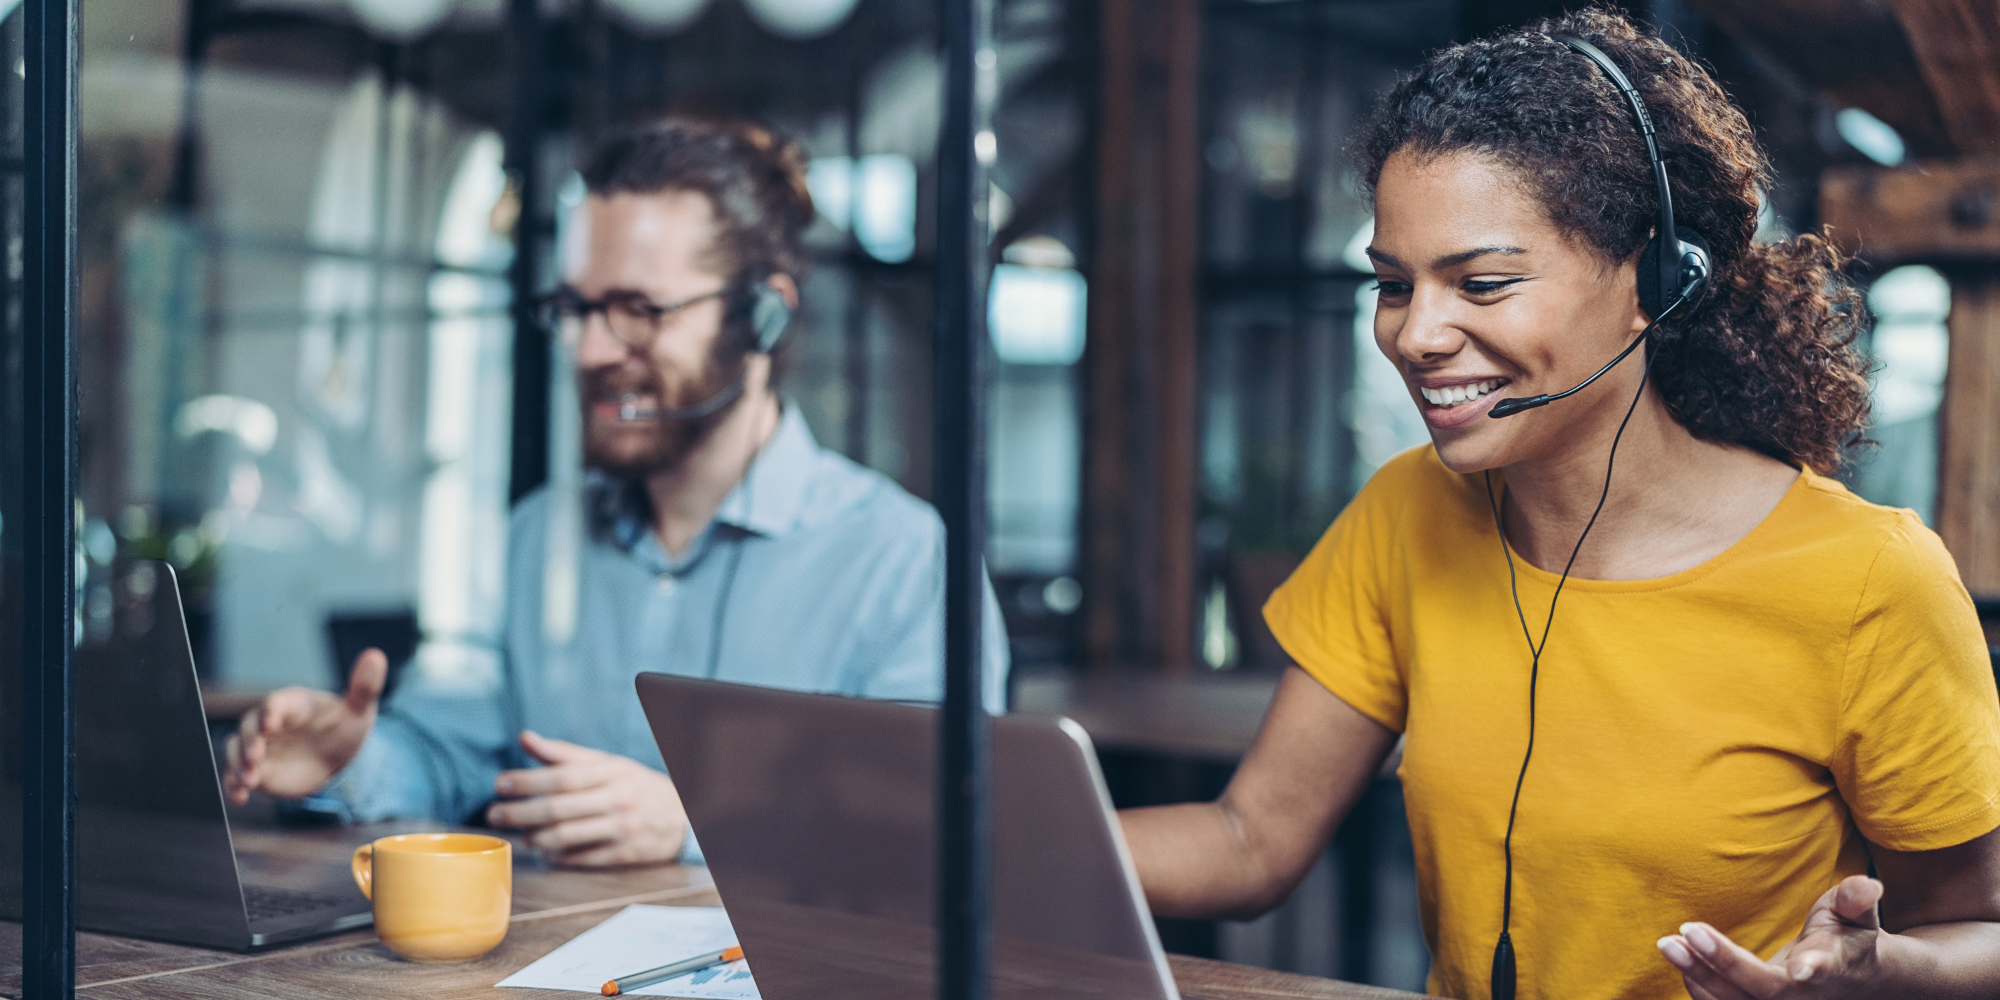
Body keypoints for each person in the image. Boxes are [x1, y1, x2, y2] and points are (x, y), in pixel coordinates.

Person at [1121, 12, 2000, 1000]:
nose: (1415, 335)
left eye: (1482, 283)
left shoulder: (1868, 578)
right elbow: (1248, 840)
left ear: (1653, 286)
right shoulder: (1406, 511)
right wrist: (952, 827)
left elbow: (1974, 928)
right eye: (1393, 284)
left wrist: (1875, 974)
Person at [223, 117, 1010, 868]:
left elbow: (937, 834)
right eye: (577, 309)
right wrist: (351, 761)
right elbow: (456, 755)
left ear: (765, 317)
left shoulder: (903, 560)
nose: (594, 349)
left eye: (640, 311)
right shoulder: (538, 537)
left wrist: (693, 824)